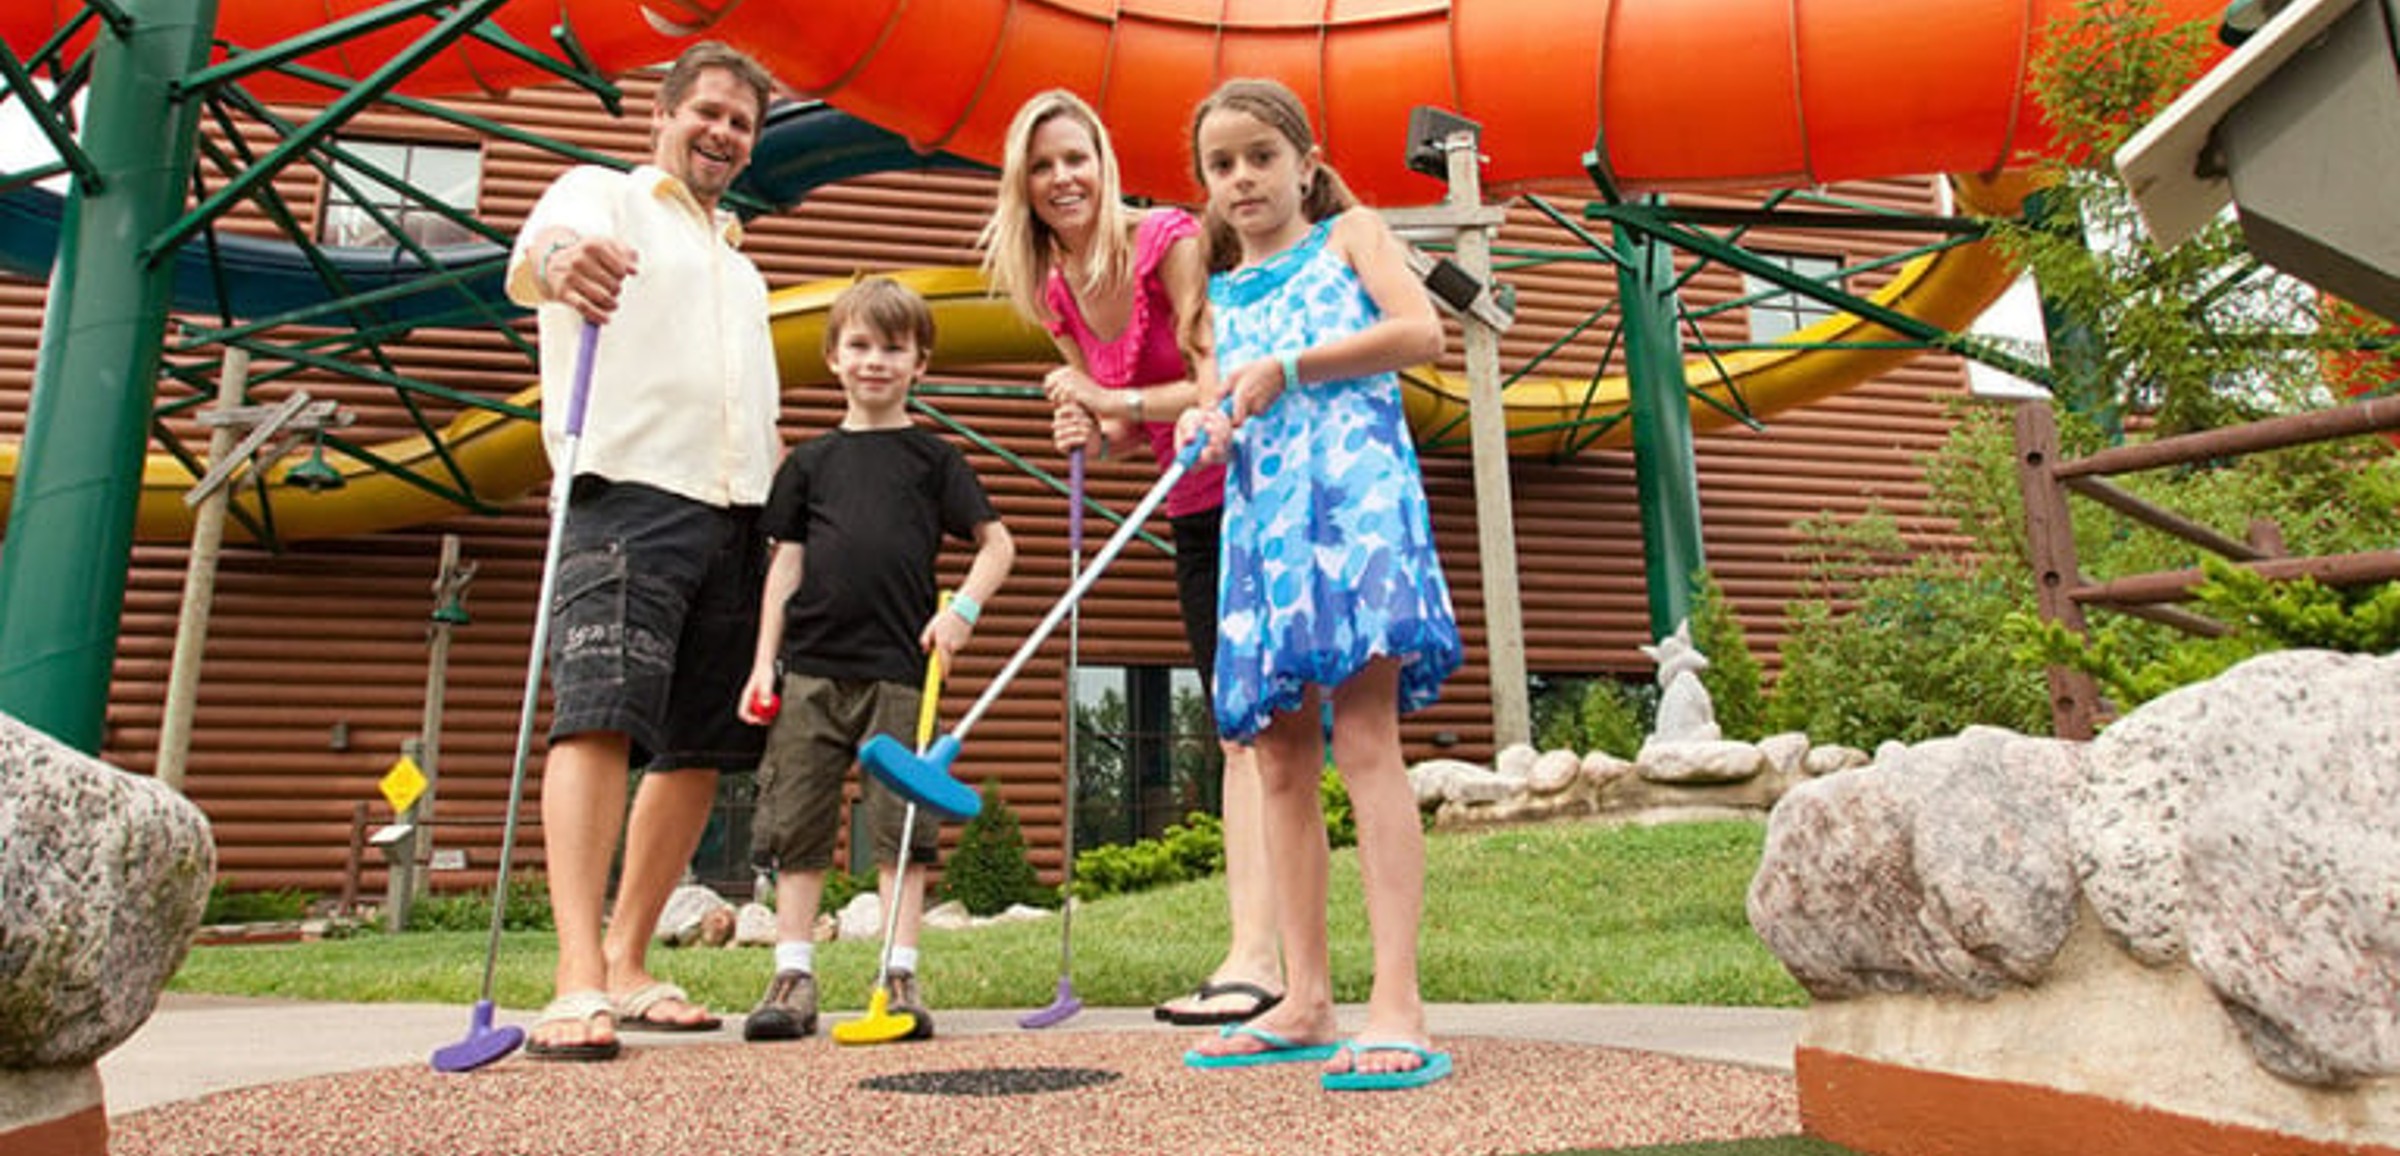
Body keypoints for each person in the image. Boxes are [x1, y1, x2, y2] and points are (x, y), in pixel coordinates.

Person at [1176, 78, 1463, 1091]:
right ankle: (1304, 997)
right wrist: (1200, 421)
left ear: (1305, 160)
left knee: (1368, 738)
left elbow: (1420, 331)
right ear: (1206, 186)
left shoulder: (1353, 236)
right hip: (1266, 532)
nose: (1243, 178)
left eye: (1261, 155)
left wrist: (1291, 367)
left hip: (1357, 509)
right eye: (1222, 165)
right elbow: (1219, 403)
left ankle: (1398, 1000)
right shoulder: (1214, 294)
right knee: (1281, 759)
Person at [978, 88, 1286, 1026]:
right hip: (1192, 509)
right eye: (1043, 165)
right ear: (1022, 188)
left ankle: (1259, 957)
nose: (1063, 177)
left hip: (1256, 490)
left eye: (1077, 157)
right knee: (1240, 728)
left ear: (1103, 162)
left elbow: (1209, 380)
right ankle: (1262, 957)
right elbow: (1120, 435)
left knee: (1260, 729)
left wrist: (1111, 403)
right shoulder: (1058, 292)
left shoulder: (1166, 241)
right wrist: (1085, 420)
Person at [503, 40, 782, 1062]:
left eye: (741, 123)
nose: (722, 133)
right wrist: (563, 266)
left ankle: (629, 957)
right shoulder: (601, 196)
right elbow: (538, 259)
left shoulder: (743, 268)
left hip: (737, 512)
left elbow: (757, 409)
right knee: (599, 718)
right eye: (708, 111)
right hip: (625, 493)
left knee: (700, 744)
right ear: (664, 114)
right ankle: (577, 975)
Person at [735, 275, 1016, 1042]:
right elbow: (784, 569)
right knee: (798, 822)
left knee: (902, 826)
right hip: (812, 669)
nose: (876, 362)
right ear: (833, 357)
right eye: (860, 346)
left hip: (903, 671)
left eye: (894, 348)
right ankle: (792, 975)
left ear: (919, 362)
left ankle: (899, 972)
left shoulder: (933, 461)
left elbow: (998, 546)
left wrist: (961, 611)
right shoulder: (810, 464)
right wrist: (764, 664)